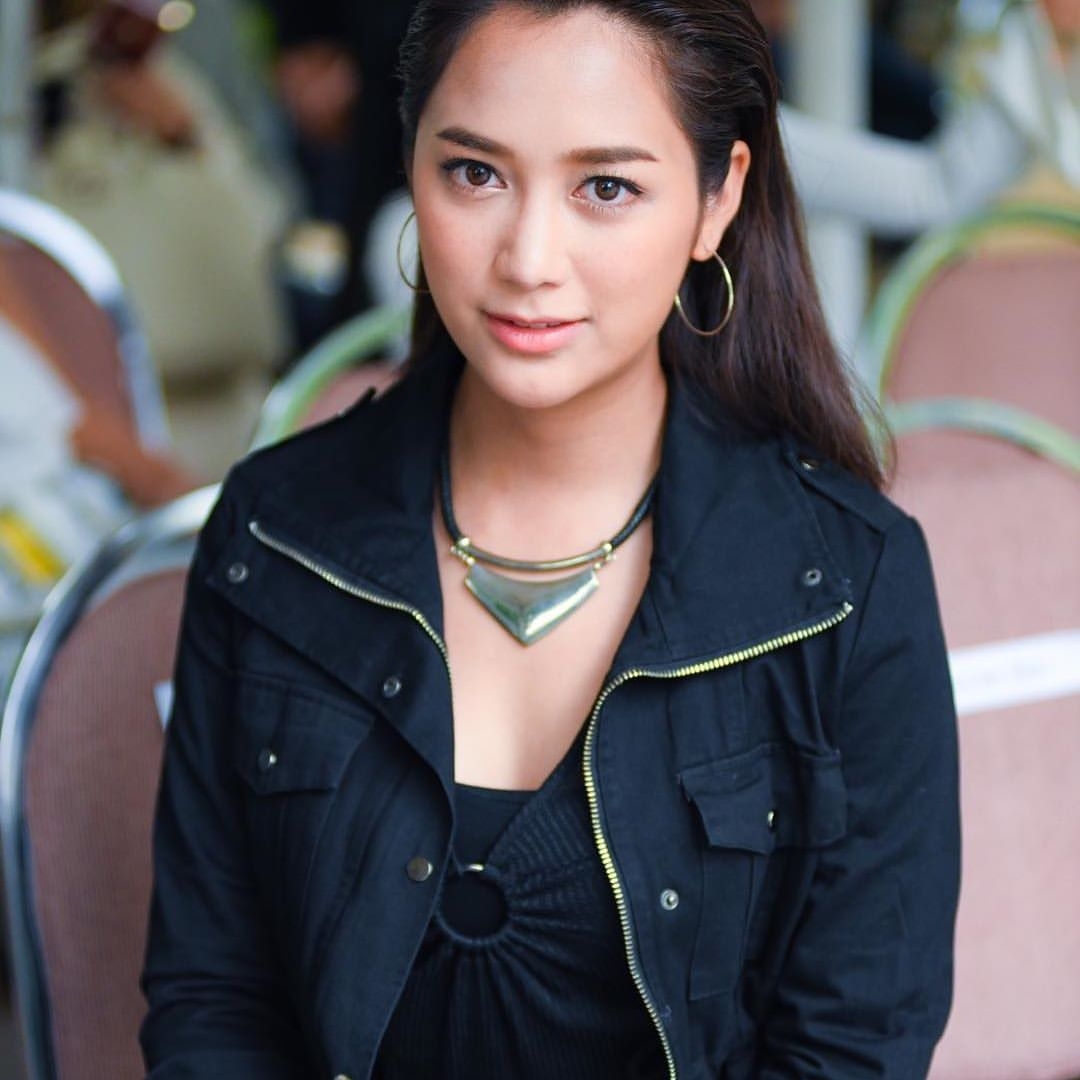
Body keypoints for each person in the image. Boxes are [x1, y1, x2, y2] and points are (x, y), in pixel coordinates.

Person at [140, 2, 961, 1077]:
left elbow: (852, 1044)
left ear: (717, 198)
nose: (529, 259)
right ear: (412, 167)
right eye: (475, 173)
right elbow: (211, 1002)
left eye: (605, 188)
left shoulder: (846, 585)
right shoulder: (274, 538)